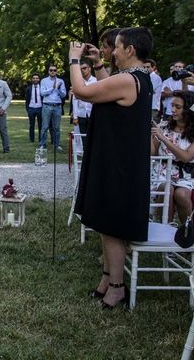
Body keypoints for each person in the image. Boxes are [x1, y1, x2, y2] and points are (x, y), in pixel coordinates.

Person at [73, 27, 154, 309]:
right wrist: (97, 63)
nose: (113, 51)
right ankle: (108, 278)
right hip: (119, 158)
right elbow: (109, 91)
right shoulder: (136, 79)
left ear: (130, 50)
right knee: (107, 224)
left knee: (112, 225)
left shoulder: (130, 80)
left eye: (117, 47)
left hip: (119, 162)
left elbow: (83, 92)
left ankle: (117, 288)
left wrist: (74, 60)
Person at [151, 90, 194, 223]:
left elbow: (186, 157)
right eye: (172, 106)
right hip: (161, 172)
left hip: (186, 174)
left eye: (178, 107)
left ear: (188, 110)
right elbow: (152, 153)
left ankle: (187, 232)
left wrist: (164, 139)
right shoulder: (164, 127)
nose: (173, 110)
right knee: (167, 189)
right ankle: (165, 229)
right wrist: (150, 135)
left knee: (181, 194)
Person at [39, 63, 67, 152]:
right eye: (51, 70)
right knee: (45, 126)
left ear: (56, 72)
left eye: (54, 70)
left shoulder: (61, 81)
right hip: (47, 105)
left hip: (57, 106)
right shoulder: (43, 81)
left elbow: (64, 95)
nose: (53, 72)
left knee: (56, 127)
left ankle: (57, 145)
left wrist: (58, 89)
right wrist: (52, 88)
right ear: (48, 71)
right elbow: (42, 93)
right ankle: (42, 145)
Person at [71, 61, 97, 134]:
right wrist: (75, 116)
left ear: (89, 69)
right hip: (81, 114)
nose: (82, 70)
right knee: (83, 138)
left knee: (94, 136)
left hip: (93, 113)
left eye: (84, 68)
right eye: (80, 69)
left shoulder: (96, 81)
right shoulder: (77, 83)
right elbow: (75, 100)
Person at [25, 74, 43, 143]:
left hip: (40, 108)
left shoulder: (42, 88)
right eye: (34, 78)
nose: (35, 79)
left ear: (39, 79)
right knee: (31, 125)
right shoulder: (28, 88)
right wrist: (28, 109)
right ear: (32, 79)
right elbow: (26, 100)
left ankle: (40, 139)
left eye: (37, 78)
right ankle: (31, 139)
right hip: (31, 108)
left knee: (40, 125)